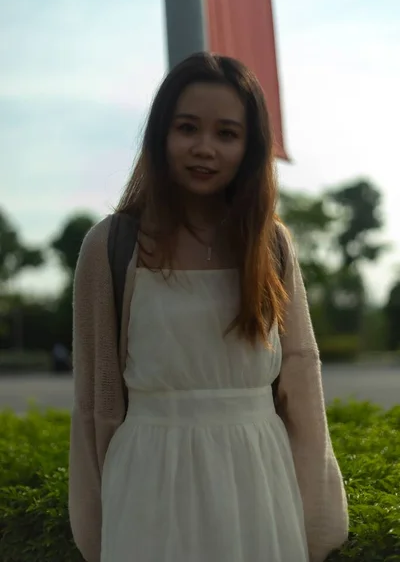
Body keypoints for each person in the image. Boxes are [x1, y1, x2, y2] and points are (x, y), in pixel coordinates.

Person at [69, 52, 348, 562]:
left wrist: (319, 513)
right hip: (148, 477)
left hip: (259, 477)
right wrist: (94, 523)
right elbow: (95, 398)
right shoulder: (112, 245)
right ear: (160, 135)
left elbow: (301, 382)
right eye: (187, 128)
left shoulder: (270, 246)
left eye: (226, 133)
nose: (204, 148)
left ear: (249, 146)